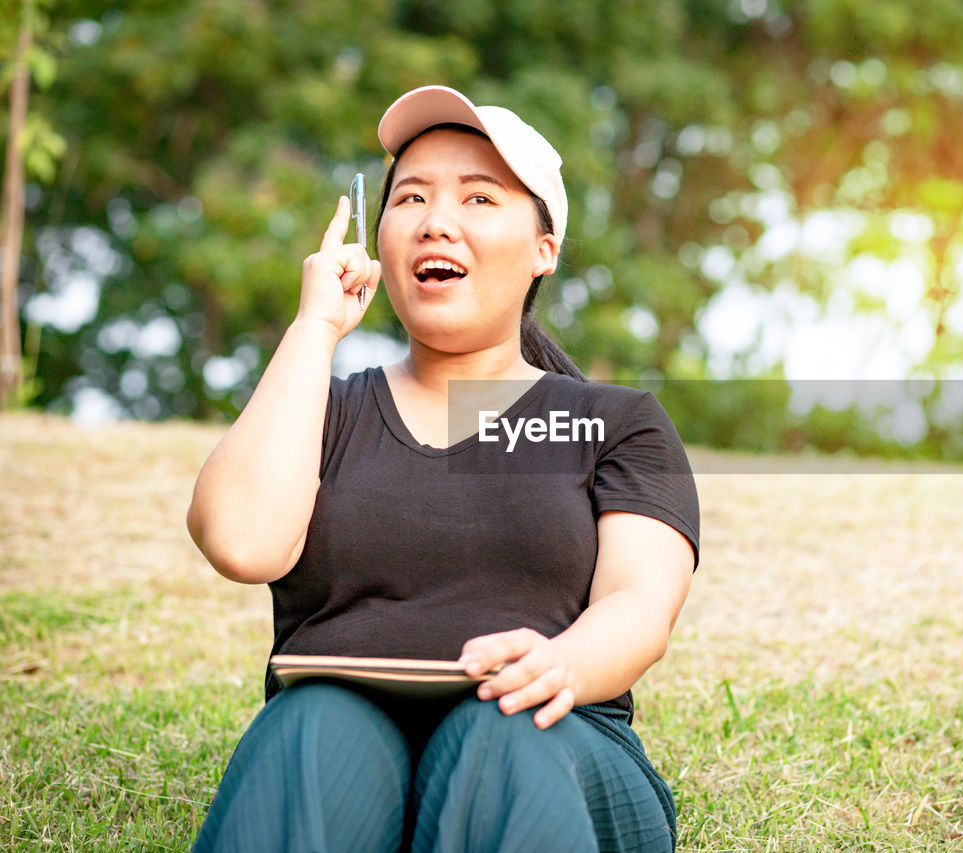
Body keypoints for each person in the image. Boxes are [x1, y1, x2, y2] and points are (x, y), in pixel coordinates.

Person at [185, 84, 700, 853]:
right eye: (412, 197)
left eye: (480, 198)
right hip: (346, 742)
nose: (436, 221)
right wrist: (314, 327)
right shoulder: (319, 410)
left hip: (554, 743)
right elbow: (241, 542)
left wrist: (560, 664)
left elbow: (640, 601)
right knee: (311, 725)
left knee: (497, 731)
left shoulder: (617, 423)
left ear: (543, 248)